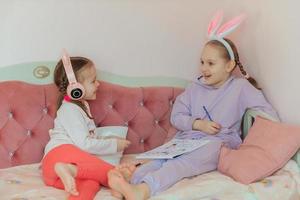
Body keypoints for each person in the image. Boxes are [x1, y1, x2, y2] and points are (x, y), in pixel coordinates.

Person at [107, 13, 279, 200]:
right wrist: (197, 124)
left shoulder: (240, 87)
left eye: (211, 63)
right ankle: (131, 179)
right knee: (163, 159)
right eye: (202, 62)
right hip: (186, 140)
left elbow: (266, 112)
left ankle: (144, 189)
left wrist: (266, 141)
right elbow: (177, 116)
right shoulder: (194, 88)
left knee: (181, 164)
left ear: (229, 65)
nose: (204, 68)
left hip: (217, 143)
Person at [41, 53, 131, 200]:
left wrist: (108, 138)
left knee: (90, 184)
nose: (98, 84)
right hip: (59, 156)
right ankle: (122, 183)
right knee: (111, 171)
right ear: (76, 88)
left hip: (53, 174)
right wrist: (114, 145)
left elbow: (86, 137)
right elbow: (84, 144)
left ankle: (115, 186)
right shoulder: (70, 109)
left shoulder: (81, 106)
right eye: (93, 81)